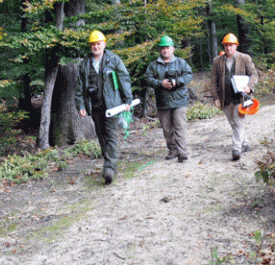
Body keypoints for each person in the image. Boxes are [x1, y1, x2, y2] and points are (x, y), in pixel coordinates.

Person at [75, 30, 133, 184]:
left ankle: (109, 168)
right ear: (90, 46)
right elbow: (79, 87)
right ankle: (109, 162)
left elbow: (124, 79)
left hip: (113, 105)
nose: (96, 47)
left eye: (98, 44)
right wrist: (80, 105)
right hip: (94, 106)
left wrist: (128, 99)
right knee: (101, 135)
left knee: (111, 134)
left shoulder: (113, 59)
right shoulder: (85, 64)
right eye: (93, 44)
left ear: (104, 44)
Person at [143, 35, 194, 163]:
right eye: (163, 48)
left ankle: (182, 152)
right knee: (166, 128)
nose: (165, 50)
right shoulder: (153, 65)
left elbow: (188, 74)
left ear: (173, 49)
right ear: (159, 50)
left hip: (179, 100)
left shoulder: (181, 63)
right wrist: (160, 83)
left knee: (179, 126)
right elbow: (147, 78)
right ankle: (172, 150)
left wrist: (177, 81)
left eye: (167, 47)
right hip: (163, 101)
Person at [211, 33, 259, 161]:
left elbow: (254, 74)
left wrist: (249, 86)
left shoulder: (244, 58)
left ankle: (236, 149)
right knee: (234, 123)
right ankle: (245, 143)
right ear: (224, 46)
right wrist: (215, 98)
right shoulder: (217, 61)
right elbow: (213, 82)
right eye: (226, 45)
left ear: (236, 46)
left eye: (231, 45)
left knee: (238, 122)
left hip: (241, 98)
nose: (228, 48)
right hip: (225, 98)